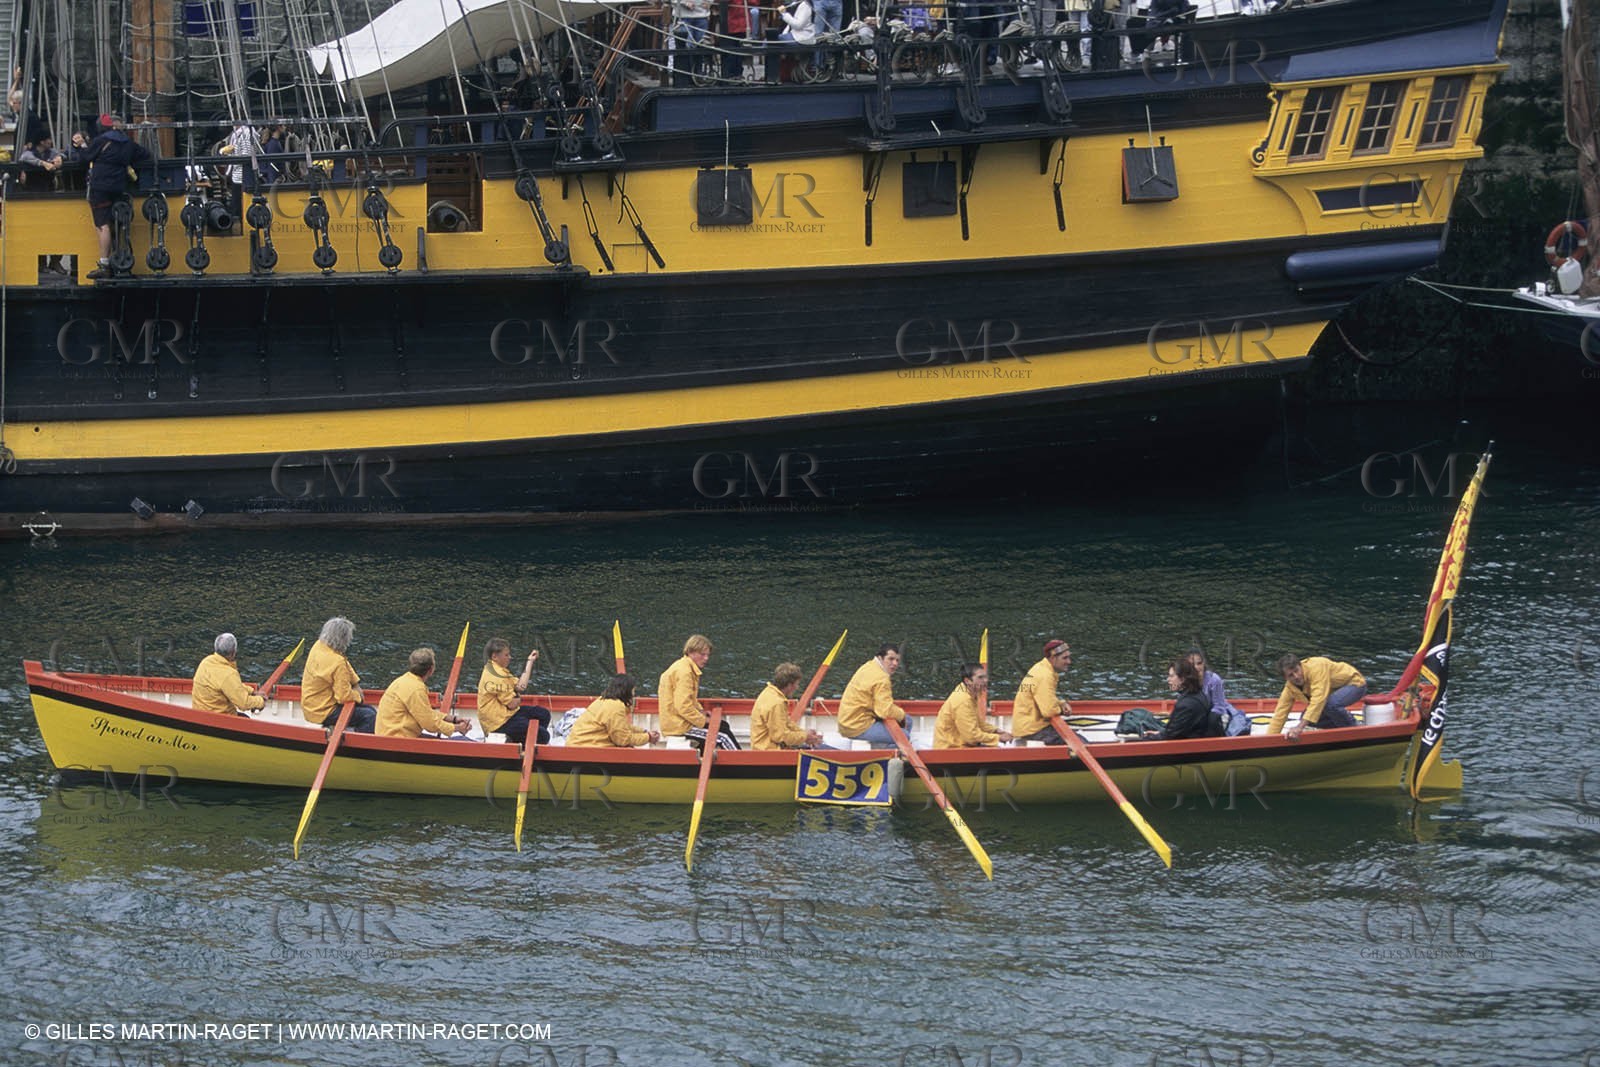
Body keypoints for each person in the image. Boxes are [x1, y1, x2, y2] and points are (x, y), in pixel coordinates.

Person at [79, 114, 152, 279]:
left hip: (100, 186)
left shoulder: (100, 141)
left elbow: (85, 158)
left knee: (102, 224)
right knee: (118, 222)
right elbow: (145, 154)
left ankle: (104, 264)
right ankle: (121, 258)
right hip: (119, 186)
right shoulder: (128, 143)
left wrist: (81, 146)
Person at [659, 634, 739, 750]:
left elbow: (689, 699)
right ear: (691, 652)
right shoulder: (685, 673)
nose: (706, 658)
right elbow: (683, 707)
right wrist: (704, 720)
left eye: (708, 655)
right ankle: (740, 762)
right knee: (723, 736)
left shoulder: (684, 667)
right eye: (702, 654)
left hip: (679, 720)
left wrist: (701, 711)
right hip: (679, 726)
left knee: (723, 726)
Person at [300, 616, 378, 733]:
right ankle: (359, 743)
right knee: (369, 715)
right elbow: (343, 697)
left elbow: (345, 664)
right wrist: (358, 695)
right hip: (324, 711)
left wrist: (355, 682)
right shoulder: (337, 662)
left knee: (369, 710)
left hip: (311, 707)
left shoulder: (319, 646)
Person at [376, 647, 473, 739]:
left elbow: (426, 713)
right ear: (431, 670)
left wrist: (453, 719)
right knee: (462, 740)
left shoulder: (403, 680)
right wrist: (457, 728)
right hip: (397, 739)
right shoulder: (416, 689)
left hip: (389, 734)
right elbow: (430, 724)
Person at [1269, 653, 1367, 739]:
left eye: (1297, 671)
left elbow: (1318, 700)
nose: (1296, 676)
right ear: (1285, 678)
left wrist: (1300, 727)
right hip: (1331, 694)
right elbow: (1280, 714)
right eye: (1291, 675)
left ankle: (1353, 730)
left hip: (1354, 684)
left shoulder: (1316, 668)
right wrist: (1270, 739)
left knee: (1329, 705)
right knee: (1308, 719)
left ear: (1301, 666)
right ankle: (1342, 724)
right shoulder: (1289, 689)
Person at [476, 638, 551, 745]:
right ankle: (522, 747)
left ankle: (528, 741)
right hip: (498, 724)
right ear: (494, 657)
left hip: (507, 715)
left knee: (543, 714)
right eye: (506, 655)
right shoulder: (495, 676)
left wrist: (530, 662)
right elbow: (512, 704)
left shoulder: (498, 669)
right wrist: (518, 697)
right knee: (543, 735)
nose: (510, 657)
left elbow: (520, 686)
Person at [837, 643, 910, 749]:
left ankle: (886, 745)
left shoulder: (869, 666)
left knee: (909, 721)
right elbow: (884, 711)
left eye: (897, 660)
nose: (894, 664)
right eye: (890, 659)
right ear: (880, 658)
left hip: (847, 721)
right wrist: (901, 715)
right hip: (857, 726)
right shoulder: (882, 678)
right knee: (905, 735)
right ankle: (889, 755)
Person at [567, 674, 661, 747]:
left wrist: (643, 732)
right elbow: (623, 739)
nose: (633, 695)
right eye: (633, 691)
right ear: (626, 691)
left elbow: (621, 727)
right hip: (587, 748)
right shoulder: (616, 707)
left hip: (577, 744)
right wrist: (648, 737)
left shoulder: (602, 700)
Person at [933, 663, 1013, 748]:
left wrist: (996, 731)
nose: (985, 680)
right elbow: (971, 736)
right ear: (967, 681)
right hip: (950, 749)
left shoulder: (969, 692)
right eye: (980, 677)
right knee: (998, 753)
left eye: (985, 677)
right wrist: (998, 738)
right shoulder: (963, 700)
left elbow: (978, 723)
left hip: (959, 744)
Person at [1010, 638, 1073, 745]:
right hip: (1032, 730)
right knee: (1080, 743)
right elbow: (1049, 711)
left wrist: (1061, 703)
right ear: (1053, 658)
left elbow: (1044, 698)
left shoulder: (1041, 668)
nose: (1069, 661)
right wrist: (1061, 710)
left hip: (1025, 726)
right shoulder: (1045, 675)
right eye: (1065, 658)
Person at [751, 662, 824, 750]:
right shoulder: (776, 703)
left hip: (764, 748)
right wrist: (805, 737)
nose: (797, 687)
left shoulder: (769, 693)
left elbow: (786, 724)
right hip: (771, 753)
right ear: (789, 685)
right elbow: (781, 736)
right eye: (796, 684)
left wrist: (804, 734)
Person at [190, 632, 266, 716]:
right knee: (246, 721)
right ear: (233, 652)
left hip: (199, 715)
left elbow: (231, 686)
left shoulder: (206, 662)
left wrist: (252, 692)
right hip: (218, 719)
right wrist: (260, 701)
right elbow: (243, 703)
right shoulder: (228, 674)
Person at [1153, 657, 1224, 740]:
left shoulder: (1186, 705)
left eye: (1171, 676)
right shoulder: (1198, 694)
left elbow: (1169, 735)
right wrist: (1160, 732)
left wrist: (1148, 737)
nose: (1168, 679)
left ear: (1182, 679)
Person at [1189, 649, 1251, 737]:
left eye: (1199, 663)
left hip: (1216, 716)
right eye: (1192, 665)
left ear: (1204, 663)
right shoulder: (1185, 680)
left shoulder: (1214, 679)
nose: (1196, 667)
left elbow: (1219, 707)